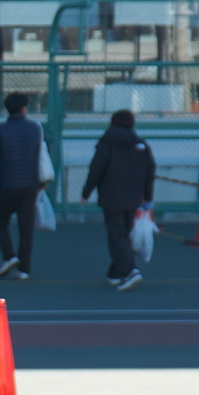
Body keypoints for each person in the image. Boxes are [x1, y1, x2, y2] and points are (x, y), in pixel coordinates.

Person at [81, 108, 155, 292]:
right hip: (134, 198)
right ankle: (114, 273)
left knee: (116, 236)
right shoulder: (140, 145)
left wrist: (86, 191)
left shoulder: (106, 144)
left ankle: (130, 271)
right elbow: (150, 171)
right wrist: (147, 195)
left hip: (111, 197)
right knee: (123, 234)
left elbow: (95, 169)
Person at [0, 91, 44, 280]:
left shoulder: (0, 130)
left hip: (8, 185)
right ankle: (24, 269)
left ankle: (9, 256)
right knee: (26, 228)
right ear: (24, 108)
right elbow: (43, 154)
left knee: (0, 220)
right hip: (30, 185)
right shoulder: (35, 128)